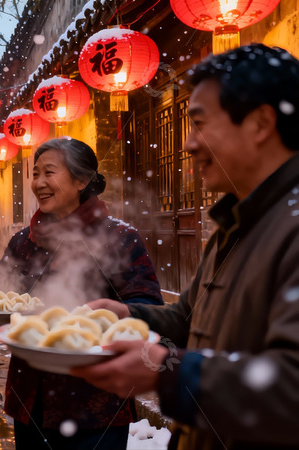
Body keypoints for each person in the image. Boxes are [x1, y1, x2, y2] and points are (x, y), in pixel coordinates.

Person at [72, 44, 299, 450]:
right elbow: (187, 318)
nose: (190, 144)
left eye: (200, 123)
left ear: (261, 123)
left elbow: (290, 385)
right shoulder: (237, 224)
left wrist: (167, 372)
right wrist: (126, 312)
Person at [0, 138, 163, 449]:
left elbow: (149, 309)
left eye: (49, 172)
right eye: (35, 173)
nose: (39, 183)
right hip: (30, 400)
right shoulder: (23, 242)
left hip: (96, 403)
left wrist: (108, 315)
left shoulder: (120, 238)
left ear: (81, 180)